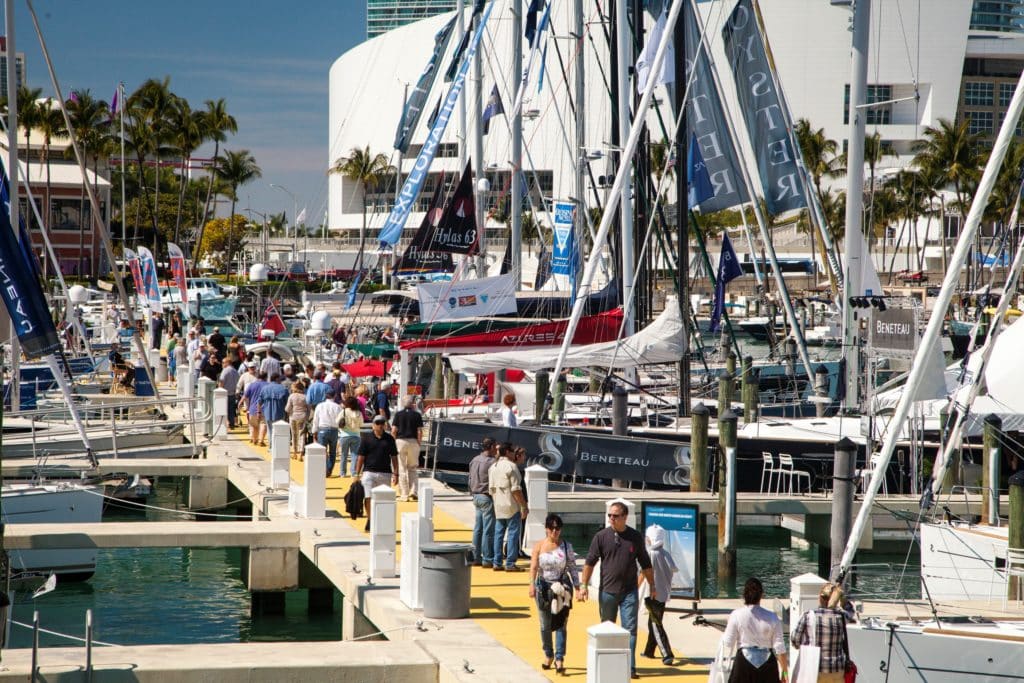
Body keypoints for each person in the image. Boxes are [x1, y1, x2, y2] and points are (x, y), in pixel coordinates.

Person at [579, 501, 655, 679]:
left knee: (630, 630)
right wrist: (583, 585)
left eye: (615, 516)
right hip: (607, 591)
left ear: (624, 517)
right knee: (607, 629)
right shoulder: (601, 537)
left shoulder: (635, 537)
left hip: (629, 591)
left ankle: (630, 666)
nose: (611, 518)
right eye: (609, 515)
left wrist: (652, 585)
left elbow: (645, 563)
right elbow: (590, 562)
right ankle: (608, 664)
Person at [529, 513, 582, 675]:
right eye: (551, 528)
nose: (554, 531)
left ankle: (560, 658)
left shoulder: (567, 546)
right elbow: (533, 567)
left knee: (561, 624)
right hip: (544, 588)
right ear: (546, 529)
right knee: (545, 625)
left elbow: (573, 567)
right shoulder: (539, 546)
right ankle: (548, 654)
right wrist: (531, 585)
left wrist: (578, 588)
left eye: (557, 528)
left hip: (561, 588)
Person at [721, 577, 789, 683]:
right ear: (761, 595)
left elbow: (728, 643)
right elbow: (780, 648)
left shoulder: (736, 615)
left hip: (743, 663)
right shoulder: (772, 617)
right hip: (767, 666)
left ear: (744, 595)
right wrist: (784, 674)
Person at [791, 583, 849, 683]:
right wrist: (842, 600)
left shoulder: (808, 616)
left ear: (820, 598)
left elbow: (795, 641)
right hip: (837, 670)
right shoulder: (842, 617)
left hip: (815, 669)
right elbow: (851, 612)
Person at [639, 524, 677, 665]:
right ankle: (649, 651)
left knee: (655, 623)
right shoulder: (665, 553)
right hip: (663, 593)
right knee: (653, 621)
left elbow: (644, 572)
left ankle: (667, 653)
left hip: (652, 593)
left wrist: (635, 588)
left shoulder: (651, 554)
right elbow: (673, 569)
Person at [355, 415, 399, 531]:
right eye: (377, 423)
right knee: (368, 497)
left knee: (383, 499)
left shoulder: (389, 439)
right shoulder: (366, 439)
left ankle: (381, 520)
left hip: (385, 473)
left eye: (382, 423)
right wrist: (356, 474)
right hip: (369, 472)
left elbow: (394, 457)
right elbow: (361, 457)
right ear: (373, 425)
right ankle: (370, 518)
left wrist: (396, 473)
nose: (380, 425)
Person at [489, 443, 528, 572]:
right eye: (512, 451)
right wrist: (524, 506)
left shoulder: (493, 467)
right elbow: (516, 490)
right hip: (511, 505)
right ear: (507, 452)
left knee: (498, 534)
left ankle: (497, 562)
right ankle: (510, 563)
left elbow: (491, 489)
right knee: (512, 534)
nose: (514, 453)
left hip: (498, 504)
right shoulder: (512, 467)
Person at [469, 438, 498, 568]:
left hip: (476, 495)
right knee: (488, 530)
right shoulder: (492, 462)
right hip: (486, 496)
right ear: (491, 447)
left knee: (478, 528)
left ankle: (475, 556)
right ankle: (487, 558)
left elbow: (470, 478)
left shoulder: (474, 459)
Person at [391, 396, 424, 501]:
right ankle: (414, 491)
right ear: (412, 403)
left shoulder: (398, 414)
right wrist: (418, 443)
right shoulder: (417, 415)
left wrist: (393, 442)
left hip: (400, 441)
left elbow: (394, 430)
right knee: (413, 467)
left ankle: (404, 494)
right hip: (413, 441)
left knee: (402, 468)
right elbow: (419, 431)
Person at [312, 391, 343, 476]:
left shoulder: (320, 406)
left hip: (323, 429)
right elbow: (341, 420)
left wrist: (314, 431)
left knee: (322, 451)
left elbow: (316, 419)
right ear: (334, 395)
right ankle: (329, 469)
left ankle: (324, 469)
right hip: (334, 430)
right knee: (332, 452)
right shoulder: (338, 407)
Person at [258, 374, 289, 444]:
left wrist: (259, 412)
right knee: (279, 432)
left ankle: (271, 447)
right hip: (280, 414)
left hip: (268, 414)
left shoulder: (264, 388)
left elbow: (259, 402)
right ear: (277, 379)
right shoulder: (283, 388)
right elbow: (287, 403)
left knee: (270, 430)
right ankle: (278, 448)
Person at [340, 396, 364, 477]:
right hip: (356, 435)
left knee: (344, 454)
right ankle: (353, 472)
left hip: (344, 435)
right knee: (355, 455)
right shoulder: (359, 413)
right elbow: (361, 424)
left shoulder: (344, 411)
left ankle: (342, 473)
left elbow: (337, 421)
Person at [285, 382, 310, 459]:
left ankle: (295, 452)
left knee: (294, 434)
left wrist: (289, 412)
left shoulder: (292, 396)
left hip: (293, 416)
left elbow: (287, 409)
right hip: (303, 416)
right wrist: (307, 416)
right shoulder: (305, 397)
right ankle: (301, 453)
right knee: (302, 434)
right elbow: (308, 409)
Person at [243, 370, 268, 446]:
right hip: (265, 408)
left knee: (254, 425)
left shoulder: (252, 385)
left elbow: (245, 396)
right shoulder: (268, 385)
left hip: (253, 408)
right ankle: (261, 440)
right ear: (266, 377)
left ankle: (254, 439)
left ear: (257, 377)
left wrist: (240, 403)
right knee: (263, 424)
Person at [218, 359, 240, 430]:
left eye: (223, 362)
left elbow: (221, 381)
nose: (222, 364)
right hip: (233, 393)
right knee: (231, 410)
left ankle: (223, 425)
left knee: (223, 410)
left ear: (227, 363)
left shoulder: (225, 370)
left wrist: (219, 390)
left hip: (225, 393)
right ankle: (232, 424)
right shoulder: (235, 371)